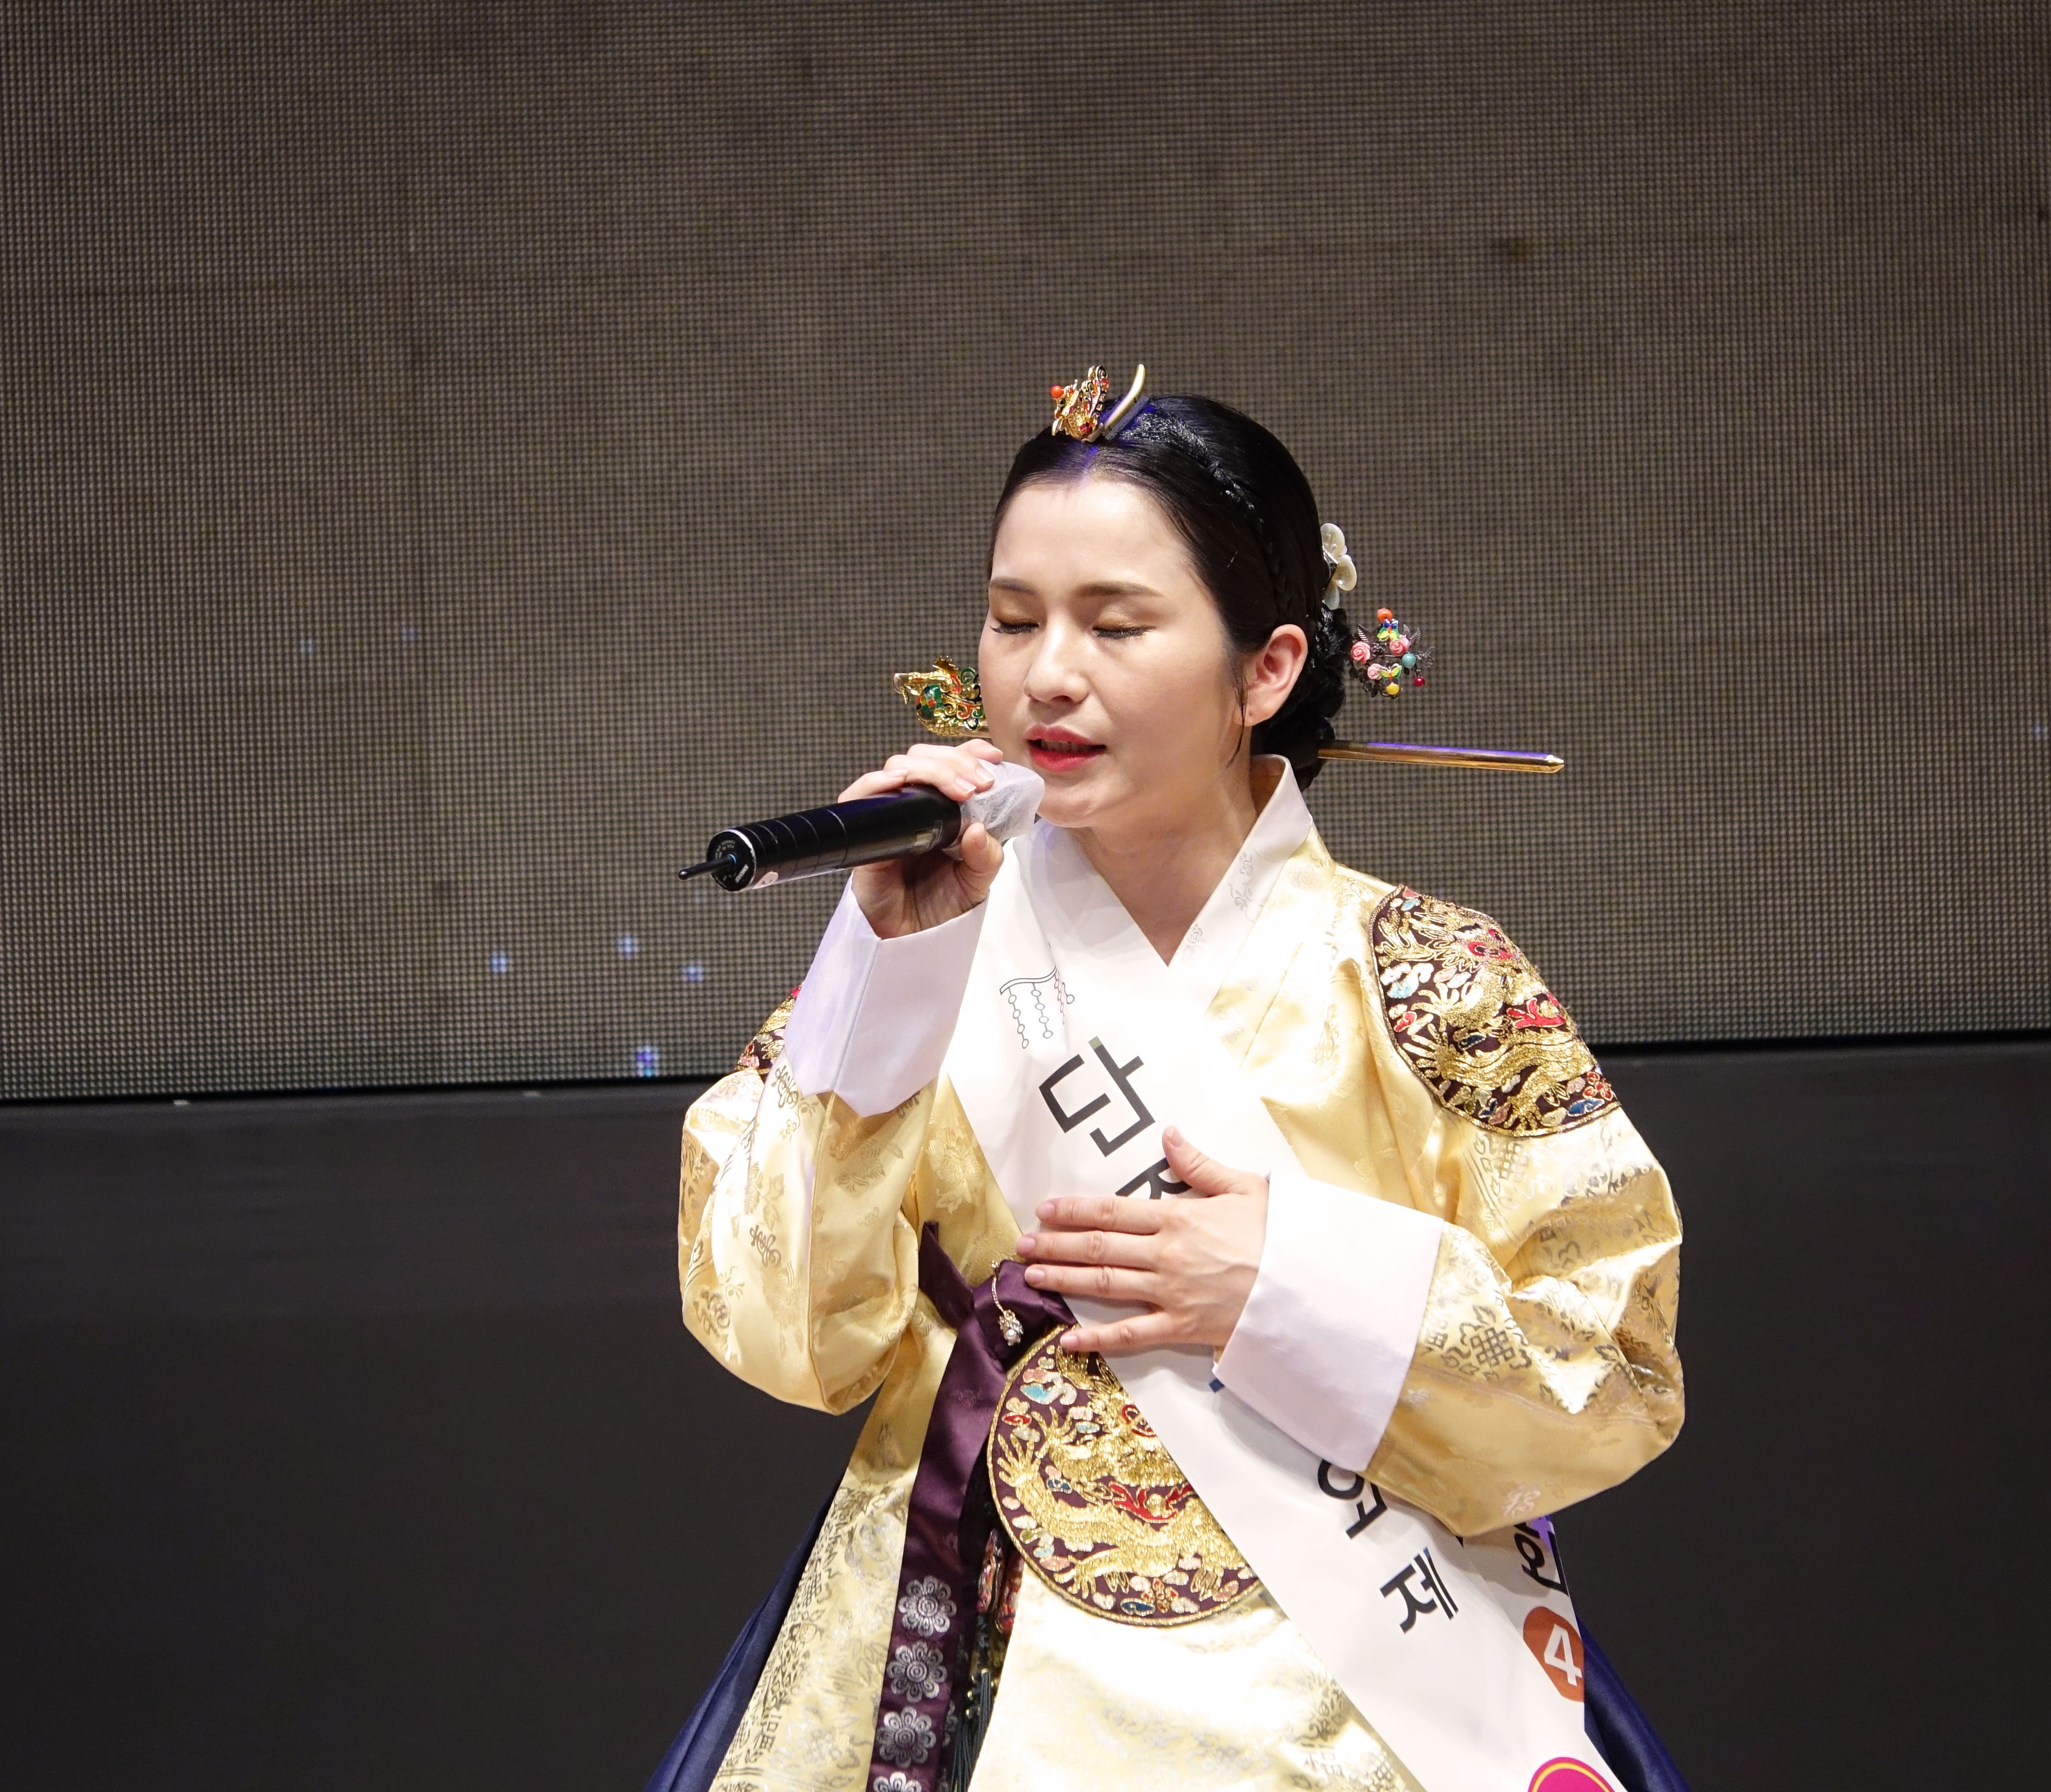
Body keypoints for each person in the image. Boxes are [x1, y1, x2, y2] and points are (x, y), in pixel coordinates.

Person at [665, 372, 1687, 1792]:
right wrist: (878, 977)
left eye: (1116, 624)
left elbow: (1614, 1368)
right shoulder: (923, 949)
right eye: (1014, 618)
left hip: (1348, 1694)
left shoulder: (1426, 973)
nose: (1047, 675)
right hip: (976, 1672)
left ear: (1266, 670)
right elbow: (789, 1337)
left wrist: (1287, 1284)